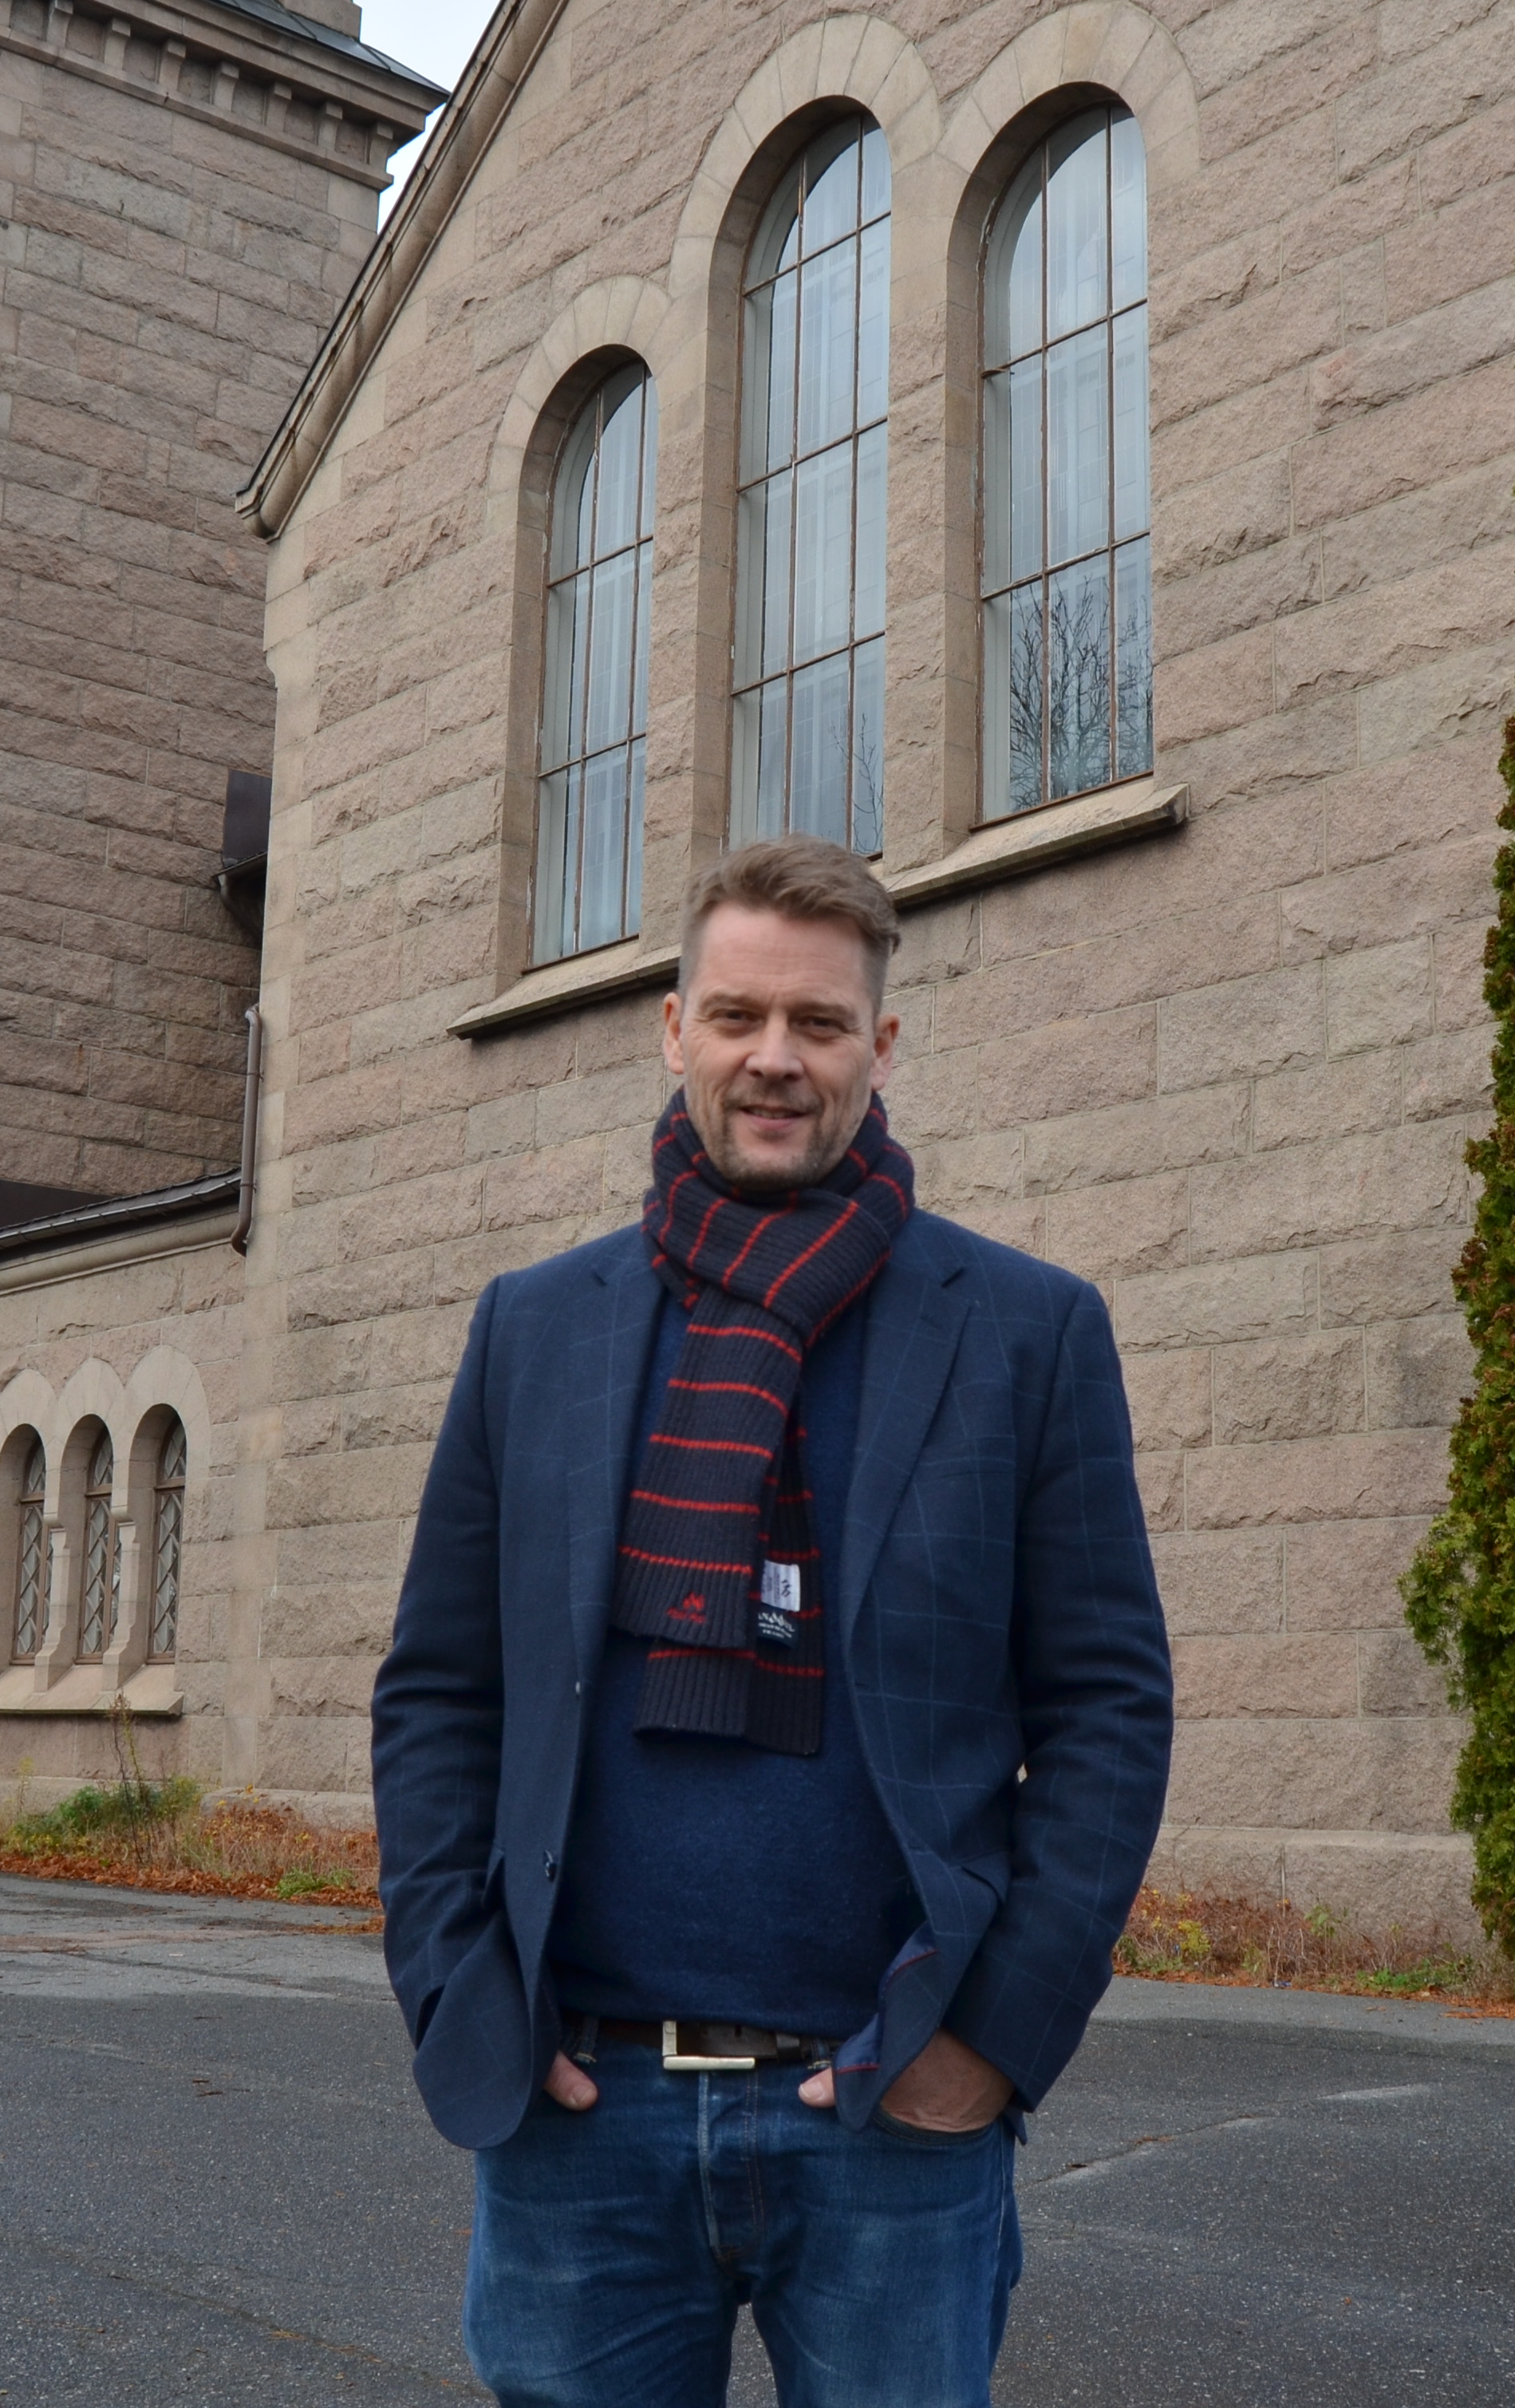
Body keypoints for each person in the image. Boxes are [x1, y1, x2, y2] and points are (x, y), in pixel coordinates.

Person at [371, 833, 1175, 2408]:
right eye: (737, 1016)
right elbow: (442, 1695)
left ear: (882, 1044)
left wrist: (991, 2041)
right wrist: (461, 1992)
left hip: (889, 2114)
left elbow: (1105, 1707)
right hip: (580, 2112)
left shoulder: (1027, 1331)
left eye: (819, 1022)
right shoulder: (534, 1329)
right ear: (674, 1028)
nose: (775, 1058)